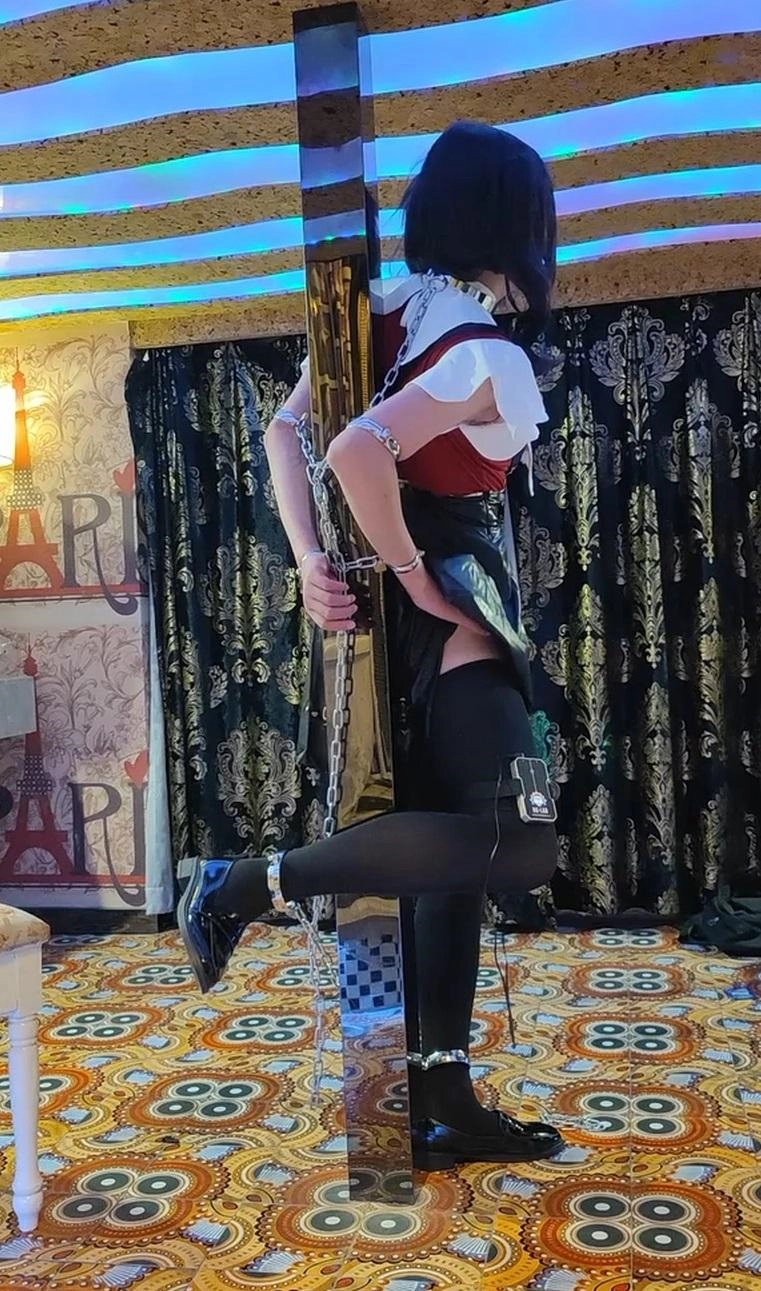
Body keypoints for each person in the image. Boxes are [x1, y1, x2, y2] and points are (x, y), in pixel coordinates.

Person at [178, 121, 563, 1170]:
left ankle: (441, 1097)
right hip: (450, 605)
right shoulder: (487, 350)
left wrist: (313, 557)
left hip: (382, 624)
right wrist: (413, 573)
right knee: (521, 841)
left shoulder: (375, 316)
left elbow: (284, 433)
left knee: (454, 851)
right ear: (520, 226)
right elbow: (356, 448)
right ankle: (240, 882)